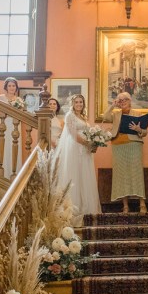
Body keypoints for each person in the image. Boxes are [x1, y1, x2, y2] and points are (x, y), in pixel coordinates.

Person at [54, 94, 101, 222]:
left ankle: (86, 208)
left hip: (85, 149)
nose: (79, 104)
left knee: (85, 175)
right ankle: (74, 208)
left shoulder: (83, 117)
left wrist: (94, 143)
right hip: (75, 148)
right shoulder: (70, 116)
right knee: (74, 175)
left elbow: (88, 133)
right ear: (73, 104)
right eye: (77, 102)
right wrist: (88, 143)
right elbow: (73, 134)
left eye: (81, 102)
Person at [103, 92, 148, 214]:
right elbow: (105, 117)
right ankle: (125, 206)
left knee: (136, 173)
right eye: (120, 100)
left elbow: (144, 132)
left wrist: (138, 129)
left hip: (134, 144)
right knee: (121, 175)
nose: (123, 102)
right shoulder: (116, 114)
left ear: (130, 101)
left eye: (125, 100)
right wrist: (113, 105)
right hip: (118, 146)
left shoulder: (137, 114)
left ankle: (142, 204)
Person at [0, 77, 23, 179]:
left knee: (15, 146)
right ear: (6, 87)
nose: (12, 88)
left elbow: (21, 115)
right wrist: (8, 114)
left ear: (16, 88)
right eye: (9, 86)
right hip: (4, 125)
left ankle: (15, 174)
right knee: (4, 146)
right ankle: (2, 173)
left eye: (13, 86)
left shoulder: (19, 100)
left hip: (15, 126)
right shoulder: (1, 97)